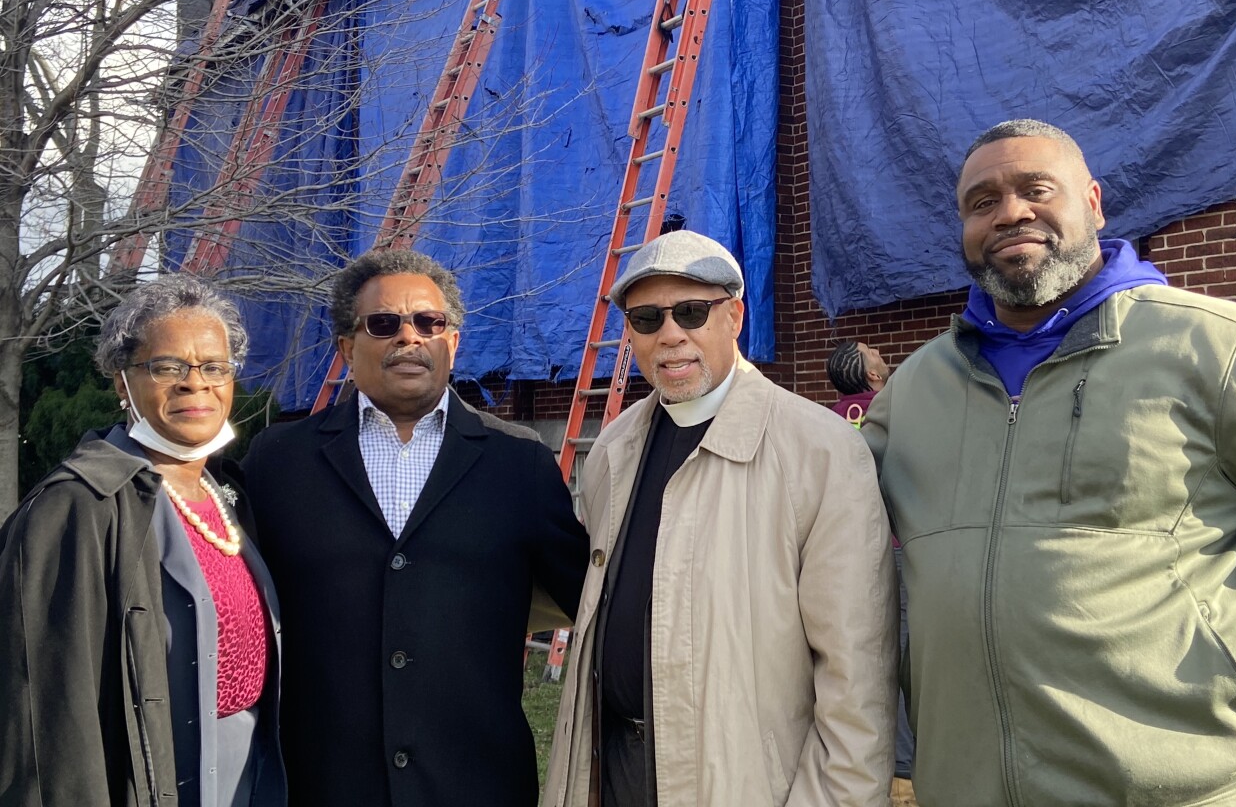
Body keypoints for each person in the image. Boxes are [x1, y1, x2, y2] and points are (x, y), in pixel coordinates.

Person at [862, 118, 1236, 807]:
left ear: (1093, 201)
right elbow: (811, 507)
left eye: (1035, 188)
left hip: (1195, 792)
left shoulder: (1230, 351)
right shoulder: (913, 391)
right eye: (982, 202)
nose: (1011, 212)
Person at [544, 229, 898, 807]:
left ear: (734, 316)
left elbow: (857, 678)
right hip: (613, 770)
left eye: (692, 311)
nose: (671, 334)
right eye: (648, 318)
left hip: (742, 782)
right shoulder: (613, 450)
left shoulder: (819, 450)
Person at [241, 249, 588, 807]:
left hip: (477, 787)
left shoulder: (519, 466)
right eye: (384, 324)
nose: (409, 337)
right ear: (347, 347)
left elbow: (592, 602)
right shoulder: (277, 463)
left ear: (452, 342)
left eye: (429, 322)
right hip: (321, 786)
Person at [0, 274, 286, 807]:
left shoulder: (229, 493)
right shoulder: (78, 506)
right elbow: (44, 715)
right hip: (146, 781)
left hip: (248, 774)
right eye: (166, 366)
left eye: (213, 367)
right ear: (121, 381)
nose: (193, 383)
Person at [826, 339, 914, 805]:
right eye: (875, 353)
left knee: (859, 657)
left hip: (846, 558)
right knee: (906, 656)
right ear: (873, 376)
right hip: (901, 551)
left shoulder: (827, 422)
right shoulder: (899, 410)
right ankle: (903, 768)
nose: (883, 354)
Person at [827, 339, 892, 426]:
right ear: (873, 375)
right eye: (870, 353)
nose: (876, 351)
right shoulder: (892, 410)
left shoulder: (832, 418)